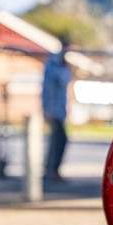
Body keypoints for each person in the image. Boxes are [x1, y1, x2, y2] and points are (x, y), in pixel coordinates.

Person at [42, 37, 72, 181]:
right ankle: (50, 171)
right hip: (53, 110)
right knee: (56, 140)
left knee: (61, 140)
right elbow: (47, 89)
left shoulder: (65, 65)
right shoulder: (52, 65)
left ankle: (54, 169)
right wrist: (47, 109)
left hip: (61, 110)